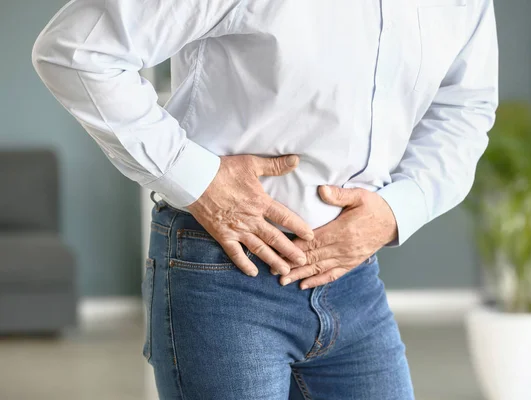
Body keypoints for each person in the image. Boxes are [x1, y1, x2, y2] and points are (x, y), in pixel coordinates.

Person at [32, 0, 498, 398]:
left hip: (355, 279)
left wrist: (398, 210)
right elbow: (76, 51)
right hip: (223, 271)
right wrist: (200, 180)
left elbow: (464, 106)